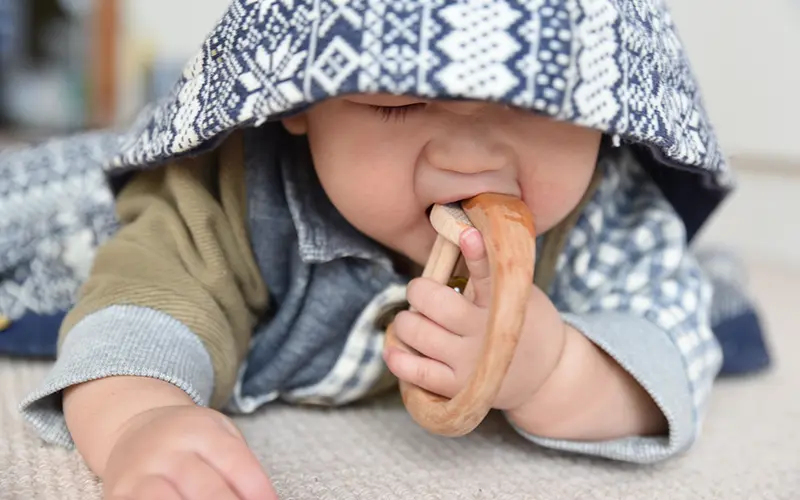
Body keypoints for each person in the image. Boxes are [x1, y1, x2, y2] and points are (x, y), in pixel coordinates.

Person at [0, 1, 767, 499]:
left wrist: (553, 367)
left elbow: (667, 355)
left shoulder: (611, 210)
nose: (470, 159)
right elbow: (138, 306)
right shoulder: (229, 191)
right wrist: (140, 421)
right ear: (297, 101)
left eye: (539, 107)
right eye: (397, 102)